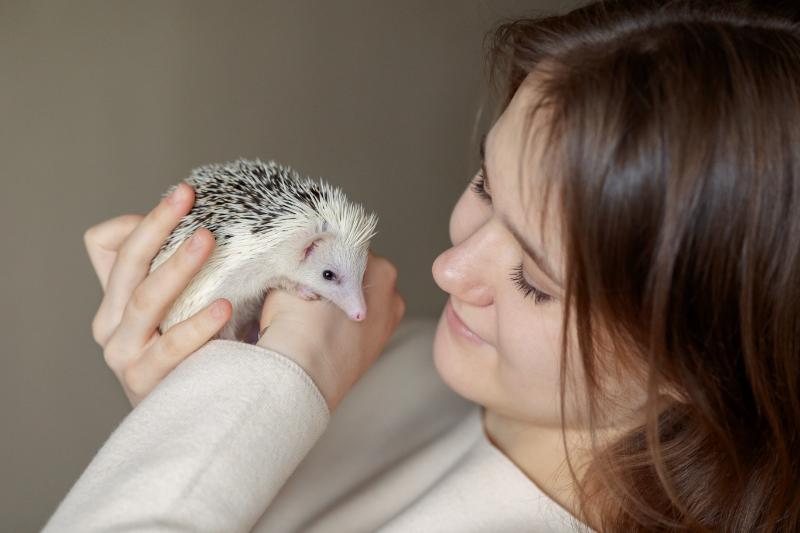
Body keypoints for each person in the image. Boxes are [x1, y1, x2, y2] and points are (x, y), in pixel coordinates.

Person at [44, 0, 800, 531]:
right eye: (484, 185)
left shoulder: (324, 362)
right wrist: (201, 391)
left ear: (708, 358)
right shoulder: (395, 361)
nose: (445, 270)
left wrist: (254, 396)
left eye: (536, 279)